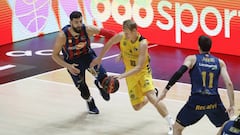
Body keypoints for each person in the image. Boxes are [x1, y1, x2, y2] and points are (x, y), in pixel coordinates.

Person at [90, 19, 174, 135]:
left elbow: (139, 67)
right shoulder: (122, 36)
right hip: (130, 74)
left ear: (134, 31)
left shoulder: (142, 43)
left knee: (152, 98)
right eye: (124, 32)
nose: (125, 34)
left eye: (127, 32)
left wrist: (121, 76)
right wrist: (99, 58)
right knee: (137, 106)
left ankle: (172, 124)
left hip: (143, 72)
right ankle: (153, 93)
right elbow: (109, 43)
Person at [157, 35, 235, 135]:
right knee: (226, 125)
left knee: (177, 128)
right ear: (210, 47)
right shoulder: (220, 62)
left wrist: (165, 90)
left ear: (198, 46)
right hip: (214, 101)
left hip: (196, 101)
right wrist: (232, 105)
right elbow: (229, 84)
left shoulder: (192, 59)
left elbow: (179, 73)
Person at [52, 11, 116, 114]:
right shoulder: (62, 36)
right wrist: (68, 66)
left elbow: (111, 34)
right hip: (73, 63)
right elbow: (54, 55)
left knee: (105, 79)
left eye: (81, 21)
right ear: (70, 22)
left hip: (88, 57)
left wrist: (121, 45)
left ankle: (100, 84)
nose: (79, 24)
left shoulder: (87, 29)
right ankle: (90, 101)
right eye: (76, 22)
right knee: (84, 91)